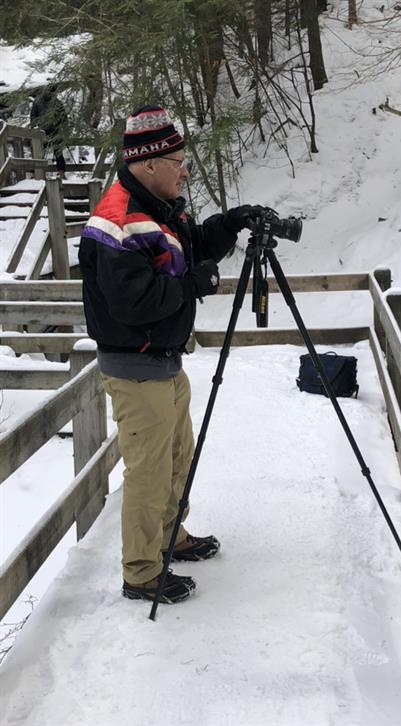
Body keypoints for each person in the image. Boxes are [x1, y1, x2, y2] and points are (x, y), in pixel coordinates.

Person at [78, 104, 264, 604]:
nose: (186, 169)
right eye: (178, 160)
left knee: (178, 458)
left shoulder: (162, 206)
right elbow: (132, 303)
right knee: (150, 471)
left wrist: (230, 223)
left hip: (164, 361)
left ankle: (170, 538)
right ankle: (140, 571)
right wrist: (190, 286)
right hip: (136, 367)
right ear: (149, 163)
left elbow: (192, 247)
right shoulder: (117, 221)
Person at [30, 85, 68, 176]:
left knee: (53, 151)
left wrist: (63, 129)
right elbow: (33, 117)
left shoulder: (56, 102)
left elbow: (63, 117)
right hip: (46, 130)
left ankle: (58, 171)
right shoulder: (40, 102)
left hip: (50, 130)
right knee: (45, 151)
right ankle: (39, 172)